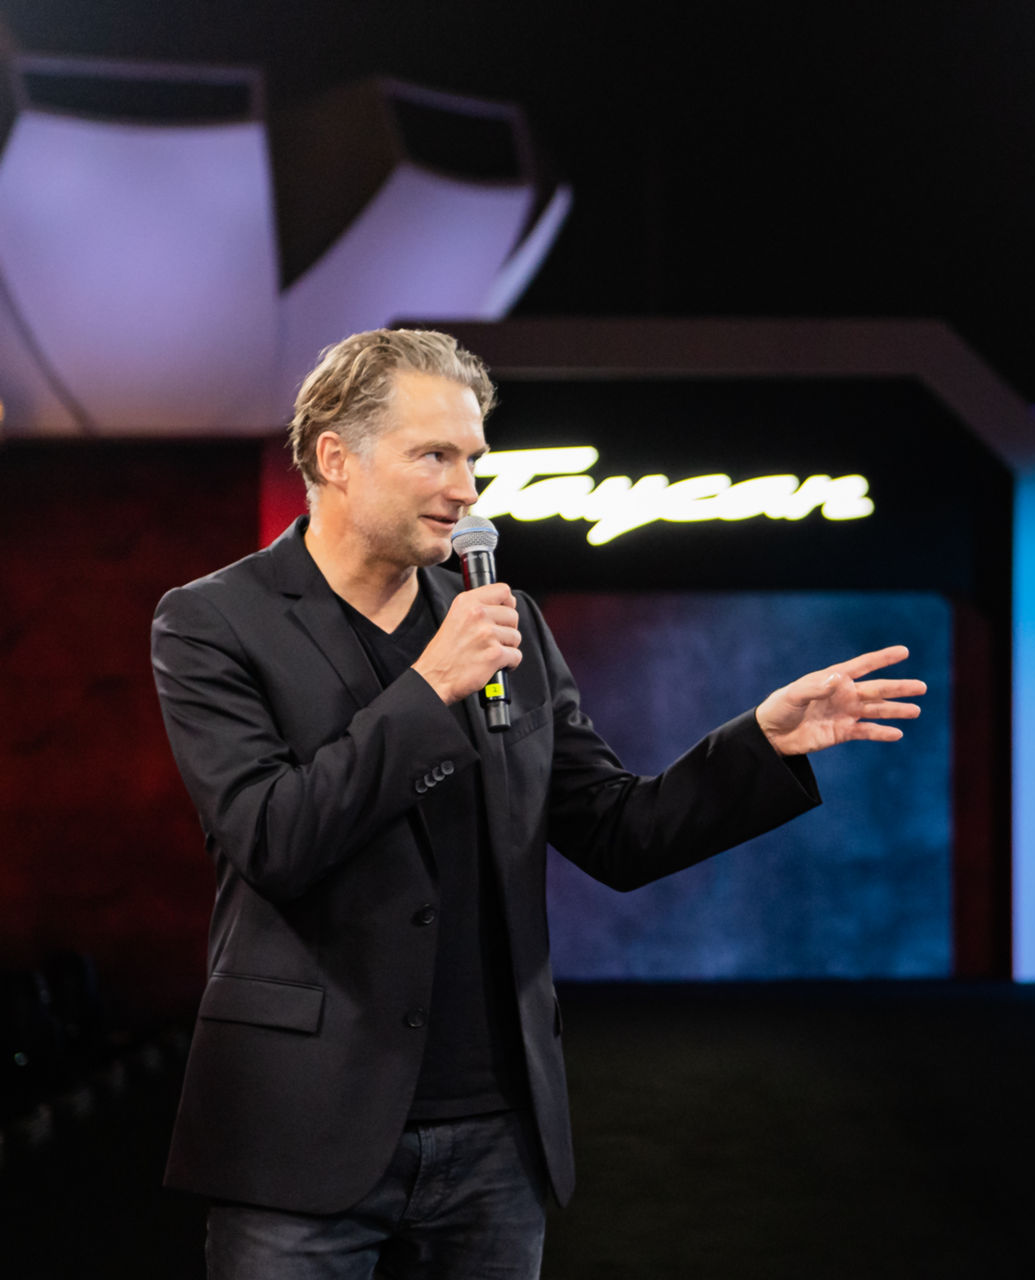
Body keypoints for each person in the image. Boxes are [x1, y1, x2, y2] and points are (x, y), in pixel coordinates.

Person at [149, 328, 926, 1278]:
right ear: (335, 458)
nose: (467, 487)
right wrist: (429, 691)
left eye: (474, 458)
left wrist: (757, 740)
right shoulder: (211, 623)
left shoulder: (503, 623)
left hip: (492, 1139)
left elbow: (617, 829)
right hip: (300, 1129)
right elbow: (274, 837)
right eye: (434, 454)